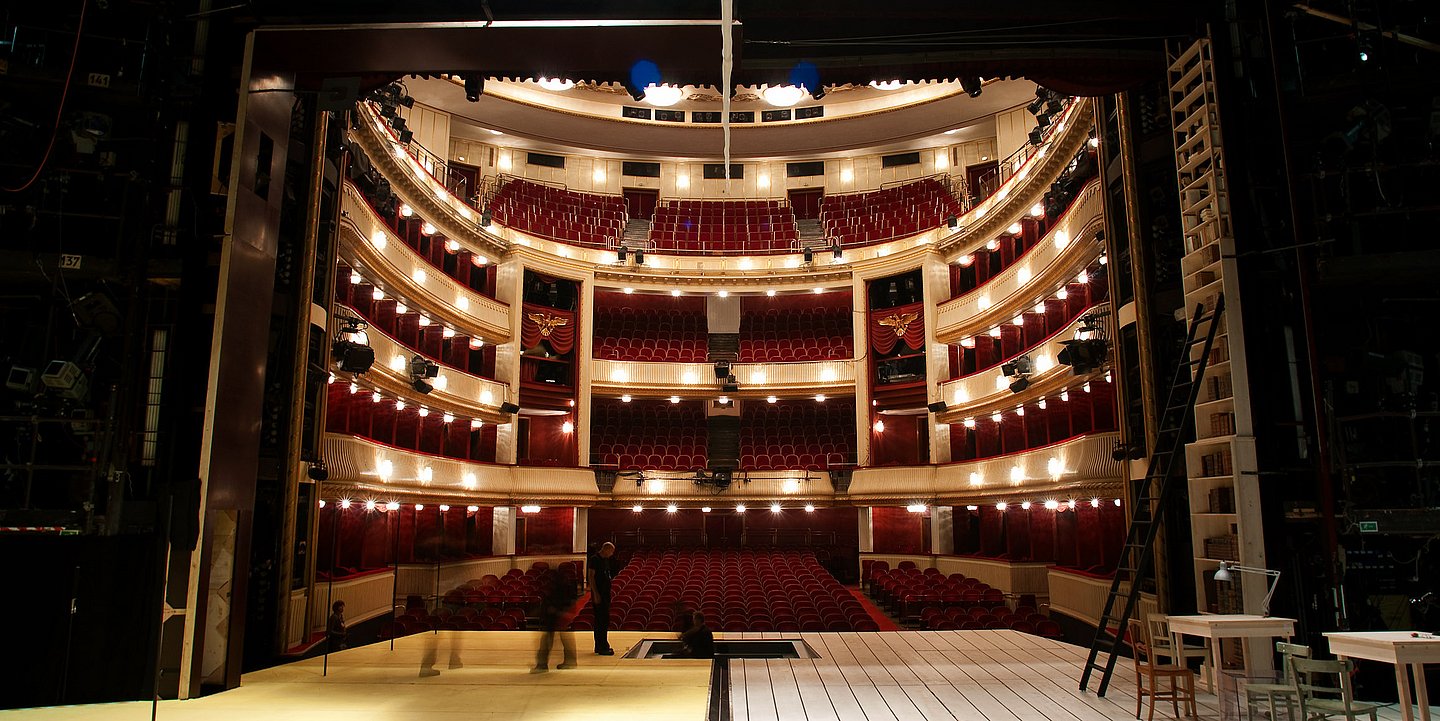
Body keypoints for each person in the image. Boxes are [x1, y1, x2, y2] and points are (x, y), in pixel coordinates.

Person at [533, 567, 578, 673]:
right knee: (564, 637)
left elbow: (553, 600)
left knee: (548, 638)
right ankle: (570, 661)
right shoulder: (565, 584)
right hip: (560, 613)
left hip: (555, 613)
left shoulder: (555, 585)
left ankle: (542, 664)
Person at [587, 541, 617, 655]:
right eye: (611, 551)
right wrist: (595, 594)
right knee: (600, 621)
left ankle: (602, 645)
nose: (612, 554)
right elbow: (591, 577)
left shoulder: (605, 560)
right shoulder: (595, 559)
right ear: (606, 549)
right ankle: (601, 646)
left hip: (605, 594)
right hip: (599, 594)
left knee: (604, 621)